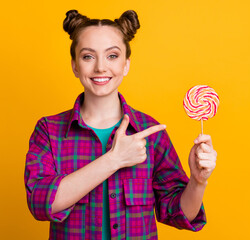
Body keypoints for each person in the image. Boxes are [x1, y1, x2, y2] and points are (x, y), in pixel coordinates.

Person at [24, 9, 217, 240]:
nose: (100, 67)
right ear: (75, 65)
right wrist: (114, 160)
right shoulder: (49, 130)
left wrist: (198, 181)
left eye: (112, 56)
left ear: (126, 64)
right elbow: (40, 201)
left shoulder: (150, 132)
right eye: (88, 56)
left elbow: (179, 213)